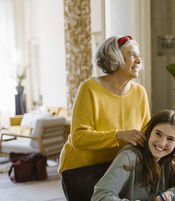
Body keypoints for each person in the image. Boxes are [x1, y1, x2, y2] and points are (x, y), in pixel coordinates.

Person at [58, 35, 150, 175]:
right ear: (115, 57)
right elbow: (78, 138)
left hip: (117, 170)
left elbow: (144, 133)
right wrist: (119, 136)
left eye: (139, 56)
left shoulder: (140, 92)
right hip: (82, 170)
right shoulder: (89, 88)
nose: (138, 61)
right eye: (132, 55)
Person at [90, 110, 175, 201]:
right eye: (158, 134)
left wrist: (171, 194)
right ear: (148, 132)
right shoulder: (129, 157)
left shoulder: (167, 160)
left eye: (170, 139)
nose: (162, 143)